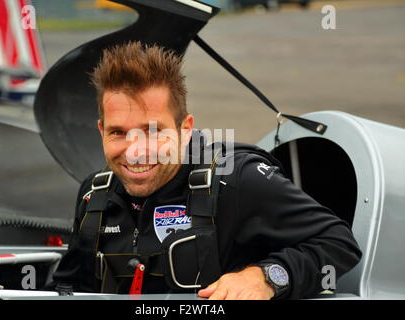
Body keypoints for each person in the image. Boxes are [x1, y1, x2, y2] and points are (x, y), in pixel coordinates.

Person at [51, 41, 362, 300]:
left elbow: (339, 244)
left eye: (153, 131)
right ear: (101, 130)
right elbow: (65, 288)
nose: (135, 151)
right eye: (118, 133)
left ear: (185, 129)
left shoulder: (238, 180)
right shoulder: (95, 194)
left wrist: (267, 277)